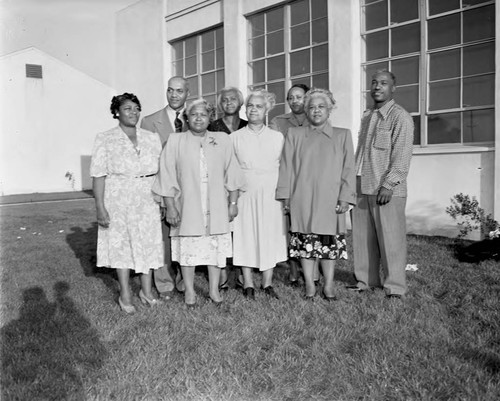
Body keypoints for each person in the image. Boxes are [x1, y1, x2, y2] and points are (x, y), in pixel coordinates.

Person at [152, 98, 245, 306]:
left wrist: (232, 202)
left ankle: (213, 291)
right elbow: (166, 175)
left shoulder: (222, 139)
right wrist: (170, 206)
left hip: (217, 203)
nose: (198, 118)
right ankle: (190, 292)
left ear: (210, 117)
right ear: (187, 117)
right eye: (194, 114)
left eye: (203, 114)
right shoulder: (175, 140)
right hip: (187, 204)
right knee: (189, 251)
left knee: (214, 249)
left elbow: (232, 172)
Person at [276, 88, 356, 300]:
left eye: (321, 107)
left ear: (330, 110)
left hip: (330, 200)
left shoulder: (342, 135)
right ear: (306, 110)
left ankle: (328, 285)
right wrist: (285, 197)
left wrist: (345, 197)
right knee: (305, 243)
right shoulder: (294, 134)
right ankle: (310, 285)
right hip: (301, 198)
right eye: (311, 107)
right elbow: (286, 167)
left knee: (328, 245)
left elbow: (349, 168)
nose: (316, 111)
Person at [90, 93, 164, 314]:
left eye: (136, 108)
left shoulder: (152, 137)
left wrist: (160, 198)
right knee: (122, 246)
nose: (133, 113)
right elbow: (98, 175)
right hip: (118, 198)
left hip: (147, 197)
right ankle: (125, 294)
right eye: (127, 109)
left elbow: (161, 171)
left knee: (148, 243)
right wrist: (100, 207)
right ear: (116, 113)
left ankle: (147, 292)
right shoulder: (105, 138)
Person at [348, 70, 414, 299]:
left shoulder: (400, 117)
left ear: (393, 88)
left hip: (386, 190)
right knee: (363, 239)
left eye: (383, 83)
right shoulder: (368, 116)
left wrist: (389, 184)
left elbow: (402, 156)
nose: (377, 87)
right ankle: (366, 281)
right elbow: (360, 154)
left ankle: (395, 288)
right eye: (374, 83)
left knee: (391, 241)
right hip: (361, 186)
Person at [232, 89, 288, 300]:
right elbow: (231, 169)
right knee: (245, 234)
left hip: (270, 192)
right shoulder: (234, 137)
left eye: (258, 106)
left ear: (267, 110)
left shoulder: (277, 137)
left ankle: (267, 283)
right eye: (250, 106)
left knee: (270, 234)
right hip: (245, 191)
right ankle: (247, 283)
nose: (253, 110)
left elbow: (284, 167)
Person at [141, 76, 190, 299]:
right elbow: (147, 161)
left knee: (186, 234)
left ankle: (183, 280)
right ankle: (164, 283)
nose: (174, 95)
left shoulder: (196, 117)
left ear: (186, 93)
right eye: (170, 90)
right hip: (162, 187)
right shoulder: (150, 122)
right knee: (162, 238)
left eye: (179, 91)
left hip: (190, 188)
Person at [269, 83, 320, 287]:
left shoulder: (316, 118)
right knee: (290, 225)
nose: (295, 101)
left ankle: (314, 270)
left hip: (312, 179)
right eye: (291, 97)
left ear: (307, 98)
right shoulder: (278, 122)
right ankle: (292, 268)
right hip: (288, 176)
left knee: (312, 226)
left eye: (299, 97)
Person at [208, 86, 248, 292]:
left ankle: (242, 273)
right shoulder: (213, 127)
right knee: (222, 230)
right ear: (220, 104)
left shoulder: (248, 126)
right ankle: (222, 273)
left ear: (241, 103)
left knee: (242, 231)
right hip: (220, 185)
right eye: (225, 100)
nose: (229, 103)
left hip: (245, 185)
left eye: (233, 99)